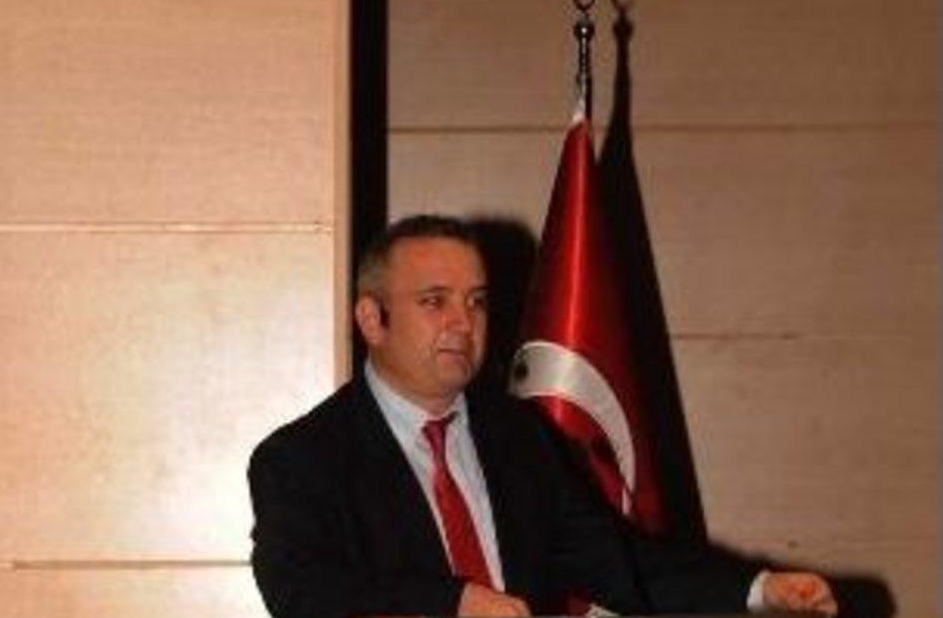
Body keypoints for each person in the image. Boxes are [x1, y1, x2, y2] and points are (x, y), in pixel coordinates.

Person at [248, 214, 837, 618]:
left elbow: (616, 562)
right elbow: (302, 591)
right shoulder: (302, 459)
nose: (463, 323)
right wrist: (452, 602)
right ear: (371, 319)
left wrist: (757, 589)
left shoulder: (518, 436)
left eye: (476, 302)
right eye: (434, 302)